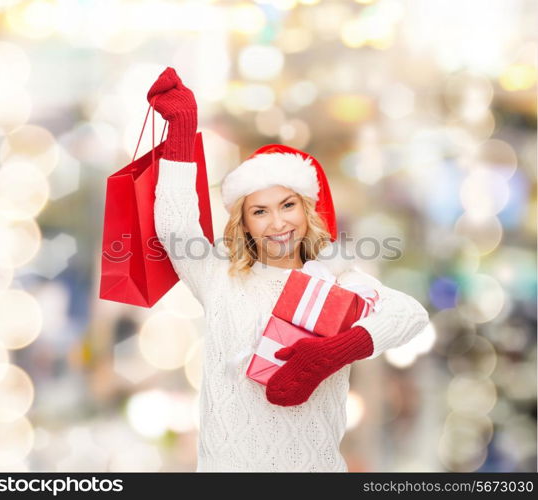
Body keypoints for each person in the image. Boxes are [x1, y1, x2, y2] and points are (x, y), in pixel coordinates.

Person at [149, 67, 430, 472]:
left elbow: (410, 315)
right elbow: (175, 225)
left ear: (306, 209)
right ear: (243, 223)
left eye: (288, 206)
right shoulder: (219, 278)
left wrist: (332, 352)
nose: (278, 223)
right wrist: (182, 128)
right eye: (260, 211)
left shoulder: (338, 282)